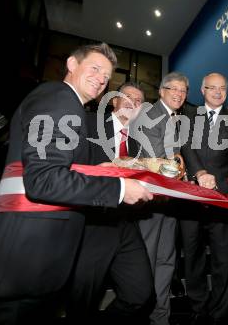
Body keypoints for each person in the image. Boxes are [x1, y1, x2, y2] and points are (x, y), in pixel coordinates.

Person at [0, 43, 153, 324]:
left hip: (32, 260)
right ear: (71, 64)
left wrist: (100, 171)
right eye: (95, 69)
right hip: (24, 262)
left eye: (106, 76)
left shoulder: (63, 103)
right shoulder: (59, 98)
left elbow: (49, 168)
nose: (101, 79)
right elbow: (43, 179)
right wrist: (118, 189)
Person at [67, 81, 154, 323]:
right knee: (81, 303)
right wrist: (101, 171)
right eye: (127, 97)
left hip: (125, 224)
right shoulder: (88, 123)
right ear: (114, 101)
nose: (132, 103)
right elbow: (68, 168)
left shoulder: (138, 143)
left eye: (138, 101)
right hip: (92, 223)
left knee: (140, 295)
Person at [180, 73, 228, 325]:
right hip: (191, 198)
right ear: (202, 90)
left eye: (222, 88)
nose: (217, 92)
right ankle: (198, 306)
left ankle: (221, 309)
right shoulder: (188, 116)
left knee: (223, 257)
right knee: (193, 255)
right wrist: (200, 172)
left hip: (221, 199)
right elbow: (185, 146)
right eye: (212, 88)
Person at [128, 72, 189, 325]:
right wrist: (181, 169)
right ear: (162, 91)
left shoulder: (175, 119)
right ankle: (143, 312)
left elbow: (176, 159)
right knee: (148, 258)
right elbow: (160, 161)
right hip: (151, 199)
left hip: (170, 201)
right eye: (173, 88)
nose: (178, 94)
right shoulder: (150, 114)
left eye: (183, 90)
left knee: (166, 259)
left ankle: (160, 314)